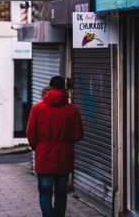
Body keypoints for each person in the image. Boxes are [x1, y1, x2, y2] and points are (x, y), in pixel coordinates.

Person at [26, 75, 83, 217]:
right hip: (64, 157)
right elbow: (78, 135)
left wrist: (38, 148)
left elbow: (30, 134)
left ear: (49, 88)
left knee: (45, 192)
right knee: (61, 193)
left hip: (44, 155)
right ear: (64, 90)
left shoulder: (37, 108)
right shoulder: (72, 110)